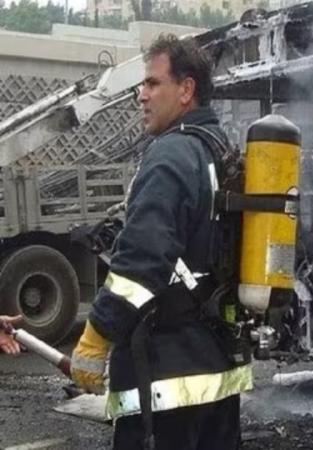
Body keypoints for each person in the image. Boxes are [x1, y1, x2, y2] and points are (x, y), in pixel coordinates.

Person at [70, 34, 252, 450]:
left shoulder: (171, 155)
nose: (141, 95)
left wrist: (97, 336)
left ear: (186, 90)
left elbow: (140, 264)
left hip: (164, 382)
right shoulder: (219, 150)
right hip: (219, 371)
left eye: (153, 83)